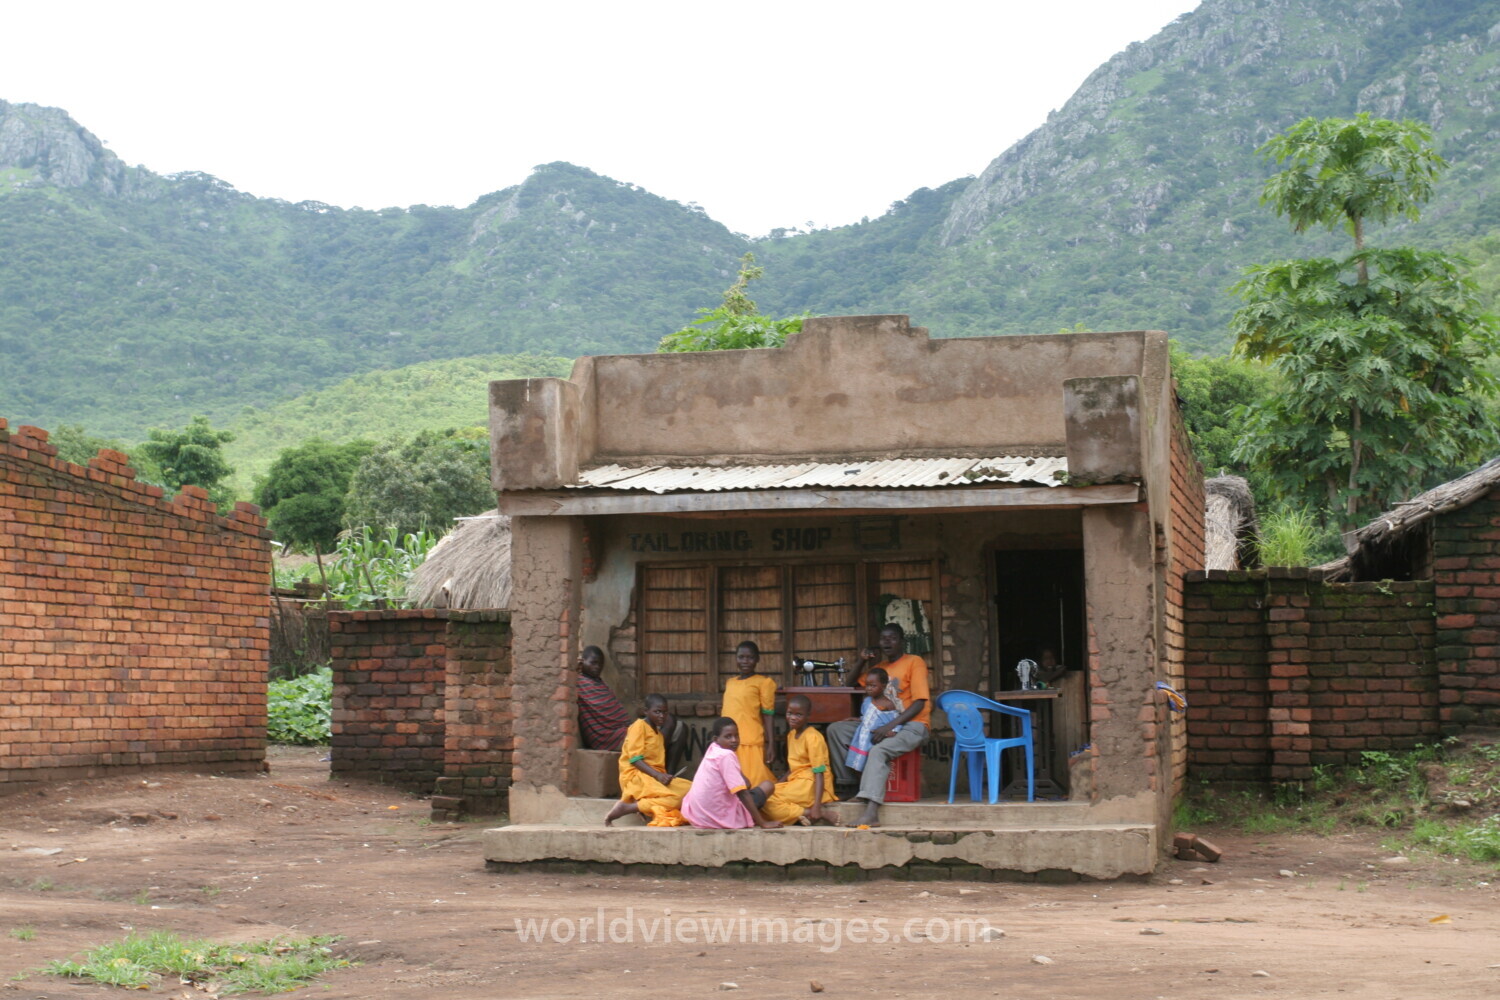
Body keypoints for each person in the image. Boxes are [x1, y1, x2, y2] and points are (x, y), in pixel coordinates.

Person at [827, 622, 932, 828]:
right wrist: (861, 660)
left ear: (902, 641)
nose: (887, 642)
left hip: (913, 724)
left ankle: (872, 813)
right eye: (883, 638)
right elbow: (849, 685)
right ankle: (854, 787)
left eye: (892, 638)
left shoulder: (914, 662)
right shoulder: (880, 669)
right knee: (836, 730)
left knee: (878, 750)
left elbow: (920, 702)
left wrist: (889, 726)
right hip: (882, 722)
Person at [577, 645, 689, 772]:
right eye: (593, 663)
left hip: (624, 730)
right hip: (610, 737)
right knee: (670, 721)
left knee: (681, 728)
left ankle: (669, 773)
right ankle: (657, 767)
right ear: (582, 662)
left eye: (600, 664)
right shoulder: (579, 683)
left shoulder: (599, 683)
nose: (597, 667)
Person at [604, 695, 692, 827]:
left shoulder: (658, 733)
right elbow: (635, 759)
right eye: (657, 712)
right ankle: (628, 808)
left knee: (692, 789)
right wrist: (658, 775)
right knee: (674, 798)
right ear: (646, 711)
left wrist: (663, 776)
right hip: (637, 777)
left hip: (653, 777)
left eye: (665, 712)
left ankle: (641, 806)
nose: (662, 716)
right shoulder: (639, 726)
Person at [681, 717, 783, 830]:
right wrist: (763, 823)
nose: (734, 740)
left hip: (698, 816)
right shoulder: (726, 756)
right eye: (728, 736)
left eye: (736, 735)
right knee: (768, 786)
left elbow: (746, 783)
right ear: (716, 739)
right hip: (715, 818)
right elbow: (742, 793)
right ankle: (753, 817)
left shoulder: (713, 749)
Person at [762, 694, 838, 826]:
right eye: (790, 713)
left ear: (808, 716)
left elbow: (819, 772)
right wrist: (776, 785)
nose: (793, 718)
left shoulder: (813, 737)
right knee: (762, 797)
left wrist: (817, 807)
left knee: (769, 801)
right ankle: (803, 813)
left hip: (811, 783)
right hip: (797, 780)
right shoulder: (791, 735)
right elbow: (793, 768)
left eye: (799, 715)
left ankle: (812, 813)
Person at [721, 640, 777, 787]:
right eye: (741, 657)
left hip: (750, 743)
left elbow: (768, 714)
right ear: (736, 659)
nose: (745, 661)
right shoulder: (730, 682)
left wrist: (771, 743)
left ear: (757, 659)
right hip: (727, 742)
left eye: (750, 657)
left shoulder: (764, 682)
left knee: (753, 784)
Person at [843, 667, 902, 774]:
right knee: (857, 764)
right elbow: (866, 717)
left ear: (883, 686)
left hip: (873, 739)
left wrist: (893, 731)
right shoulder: (867, 701)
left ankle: (868, 786)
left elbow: (897, 720)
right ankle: (860, 787)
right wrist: (856, 719)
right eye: (867, 685)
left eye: (873, 686)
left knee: (869, 765)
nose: (869, 688)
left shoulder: (888, 704)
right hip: (861, 738)